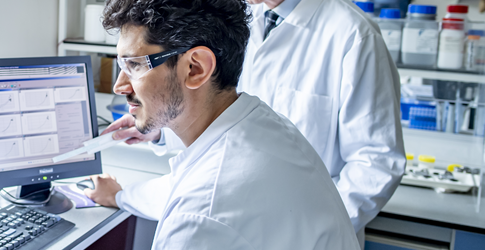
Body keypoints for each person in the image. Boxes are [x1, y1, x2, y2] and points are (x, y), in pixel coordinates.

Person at [89, 0, 406, 247]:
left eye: (133, 66)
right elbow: (215, 109)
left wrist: (305, 228)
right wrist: (157, 128)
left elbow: (376, 162)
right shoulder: (241, 22)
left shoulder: (351, 34)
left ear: (198, 65)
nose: (120, 85)